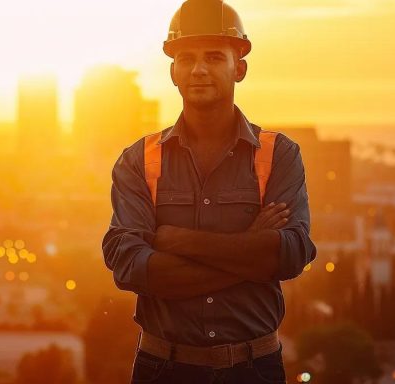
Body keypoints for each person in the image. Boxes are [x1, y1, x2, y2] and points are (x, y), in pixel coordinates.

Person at [101, 0, 318, 382]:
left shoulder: (278, 155)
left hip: (254, 369)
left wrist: (174, 240)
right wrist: (250, 247)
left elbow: (290, 254)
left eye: (215, 57)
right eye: (187, 59)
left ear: (241, 69)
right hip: (163, 369)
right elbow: (132, 267)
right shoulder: (139, 160)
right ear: (173, 72)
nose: (199, 69)